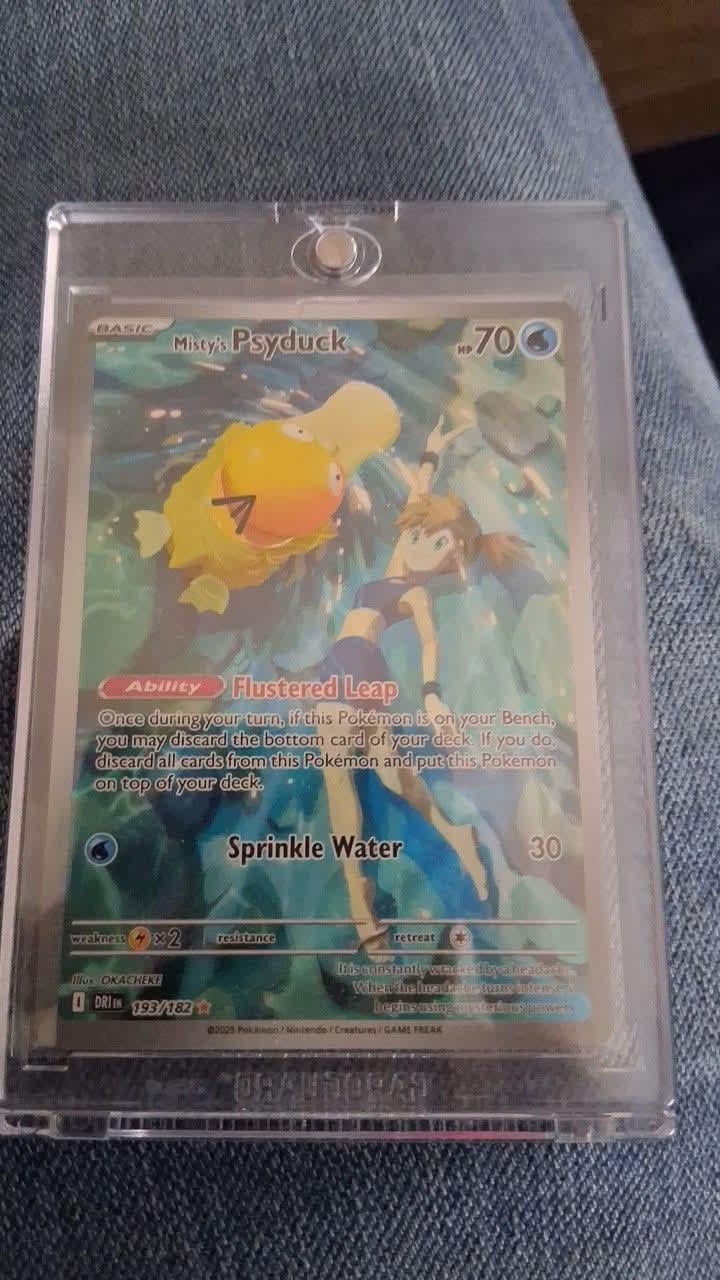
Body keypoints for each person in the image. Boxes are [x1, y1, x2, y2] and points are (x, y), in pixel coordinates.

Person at [306, 418, 531, 950]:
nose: (419, 541)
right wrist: (429, 455)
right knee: (386, 781)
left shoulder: (417, 595)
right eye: (419, 532)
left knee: (367, 784)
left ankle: (365, 897)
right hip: (339, 672)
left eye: (438, 543)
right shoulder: (393, 570)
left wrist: (432, 699)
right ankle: (450, 842)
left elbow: (430, 644)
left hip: (358, 672)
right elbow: (418, 501)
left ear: (451, 557)